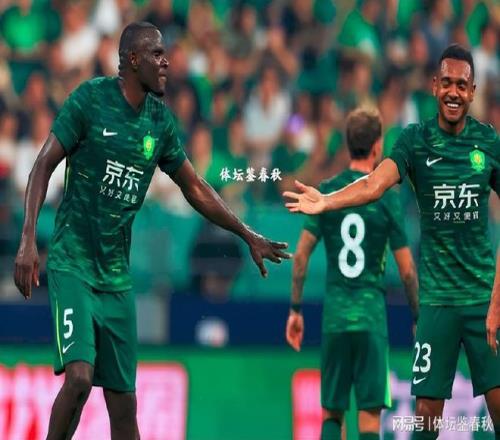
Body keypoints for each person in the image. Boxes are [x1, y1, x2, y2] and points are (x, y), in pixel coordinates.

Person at [13, 21, 291, 440]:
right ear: (132, 60)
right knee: (80, 377)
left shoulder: (159, 122)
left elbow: (194, 186)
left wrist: (247, 233)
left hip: (116, 278)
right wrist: (28, 239)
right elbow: (42, 166)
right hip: (73, 265)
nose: (166, 62)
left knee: (125, 408)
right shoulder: (90, 100)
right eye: (157, 54)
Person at [284, 44, 500, 440]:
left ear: (473, 91)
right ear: (434, 86)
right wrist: (327, 201)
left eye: (462, 85)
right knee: (425, 418)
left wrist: (498, 303)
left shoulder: (488, 143)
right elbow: (373, 184)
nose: (453, 92)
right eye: (447, 83)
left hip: (482, 300)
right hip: (435, 303)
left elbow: (303, 256)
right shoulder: (415, 141)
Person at [286, 108, 419, 440]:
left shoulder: (327, 193)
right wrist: (418, 316)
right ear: (378, 145)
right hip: (371, 317)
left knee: (332, 413)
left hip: (336, 317)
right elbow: (407, 271)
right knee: (370, 417)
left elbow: (300, 257)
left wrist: (296, 309)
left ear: (348, 145)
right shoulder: (387, 198)